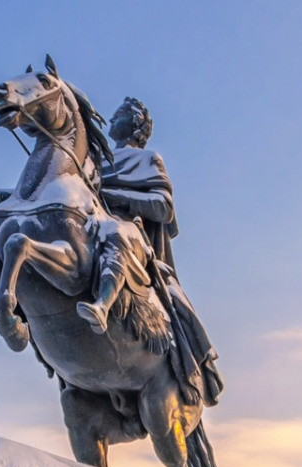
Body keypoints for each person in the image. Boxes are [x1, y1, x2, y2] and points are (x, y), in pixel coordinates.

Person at [87, 97, 222, 409]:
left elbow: (163, 207)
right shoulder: (92, 161)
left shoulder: (147, 159)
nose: (111, 119)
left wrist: (110, 194)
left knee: (176, 303)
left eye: (119, 115)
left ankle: (194, 362)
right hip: (93, 233)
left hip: (132, 240)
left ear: (136, 126)